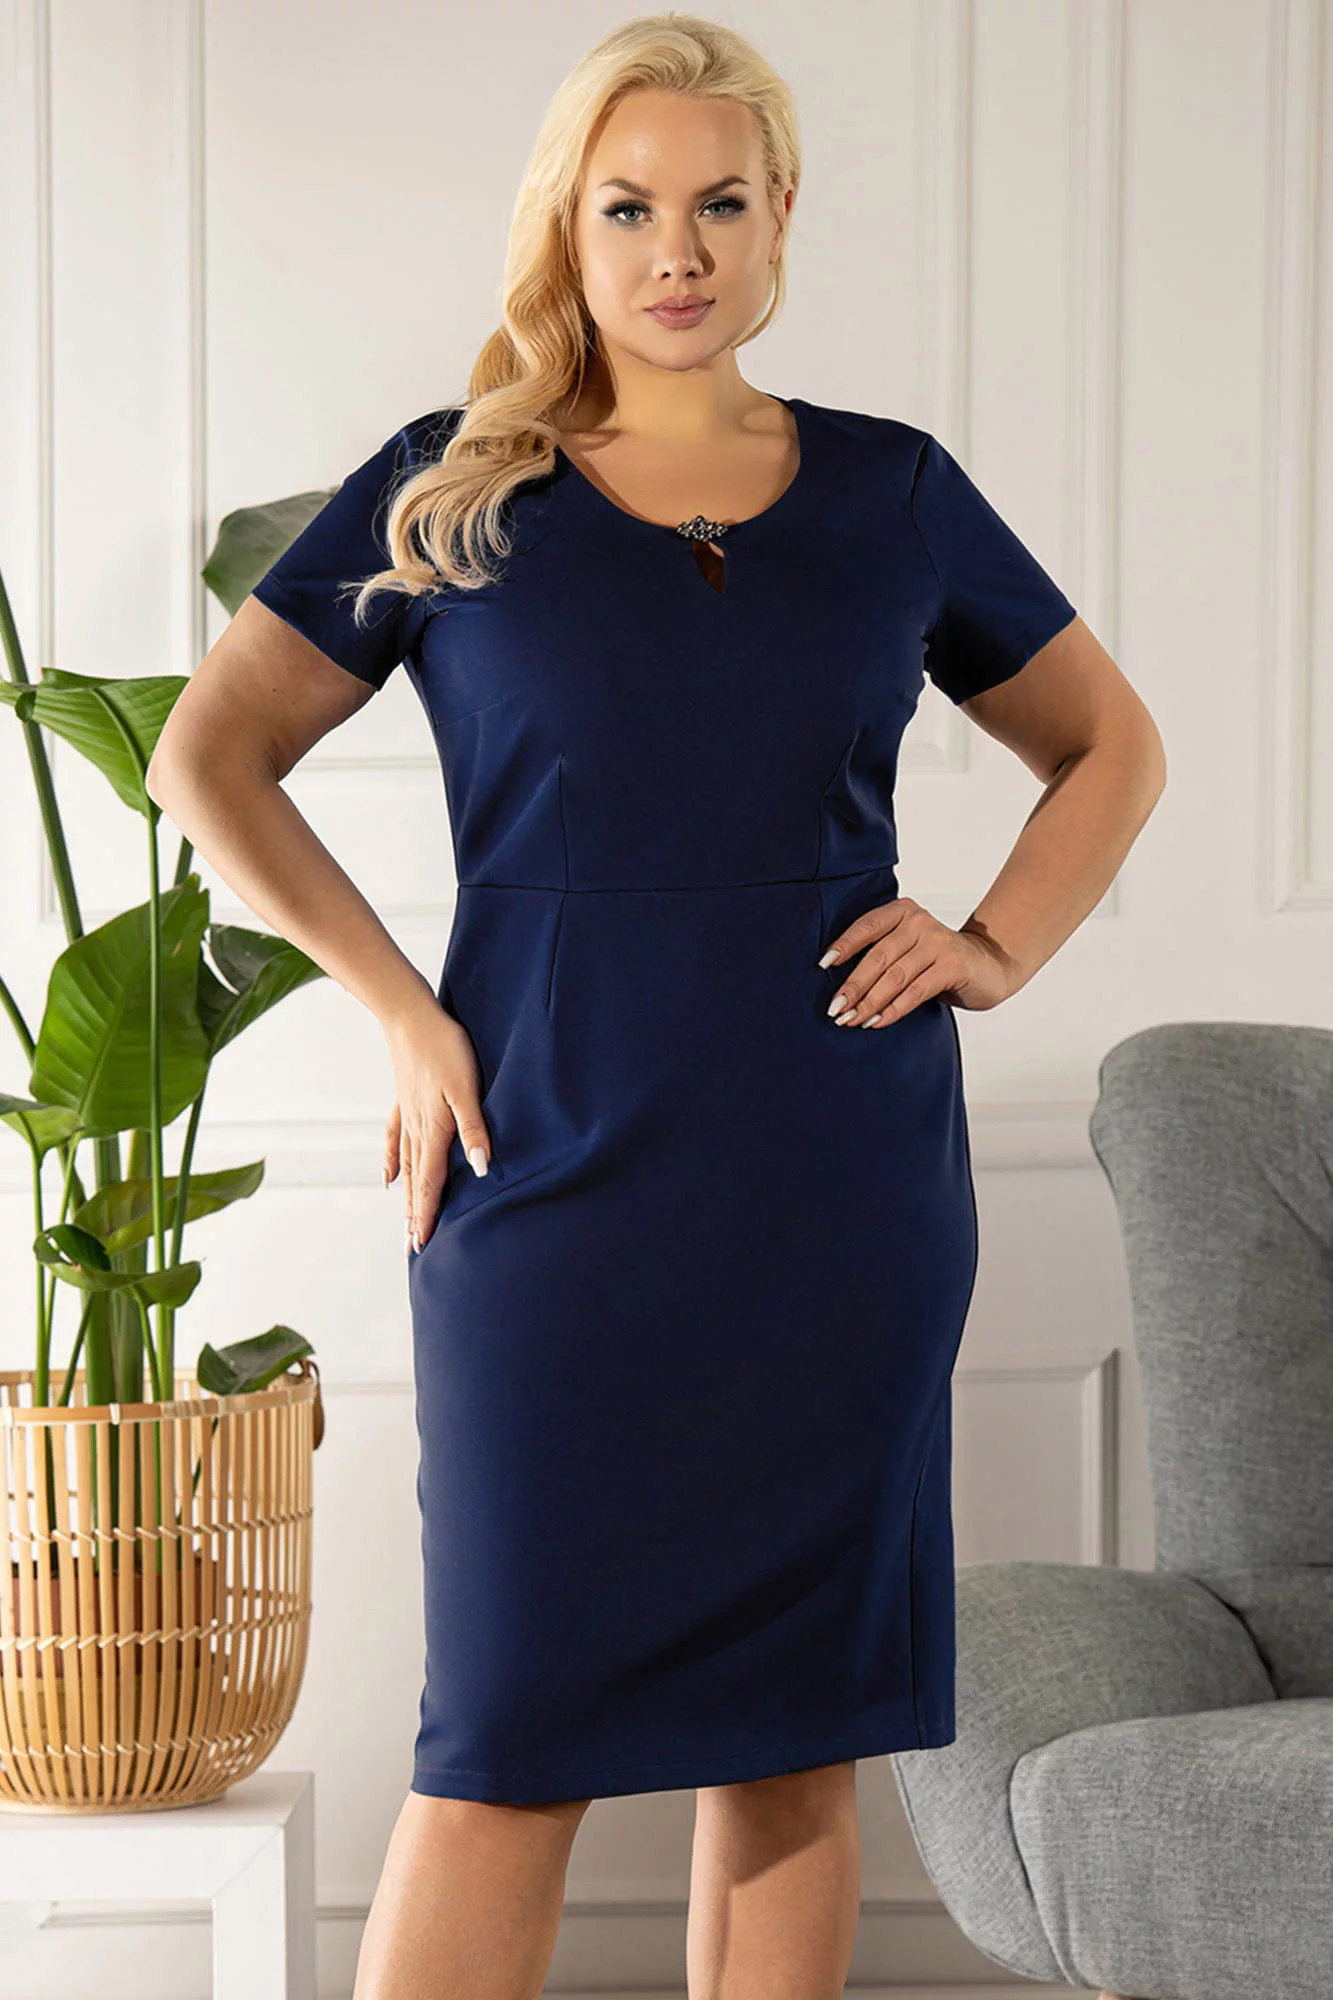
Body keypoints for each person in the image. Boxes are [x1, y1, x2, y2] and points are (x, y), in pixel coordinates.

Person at [146, 13, 1166, 2000]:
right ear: (567, 225)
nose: (675, 248)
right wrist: (404, 1014)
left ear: (783, 218)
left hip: (834, 1181)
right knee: (503, 1742)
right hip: (540, 1159)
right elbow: (212, 754)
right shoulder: (453, 492)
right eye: (626, 207)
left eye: (718, 203)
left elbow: (1106, 745)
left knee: (790, 1744)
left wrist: (992, 941)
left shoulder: (889, 491)